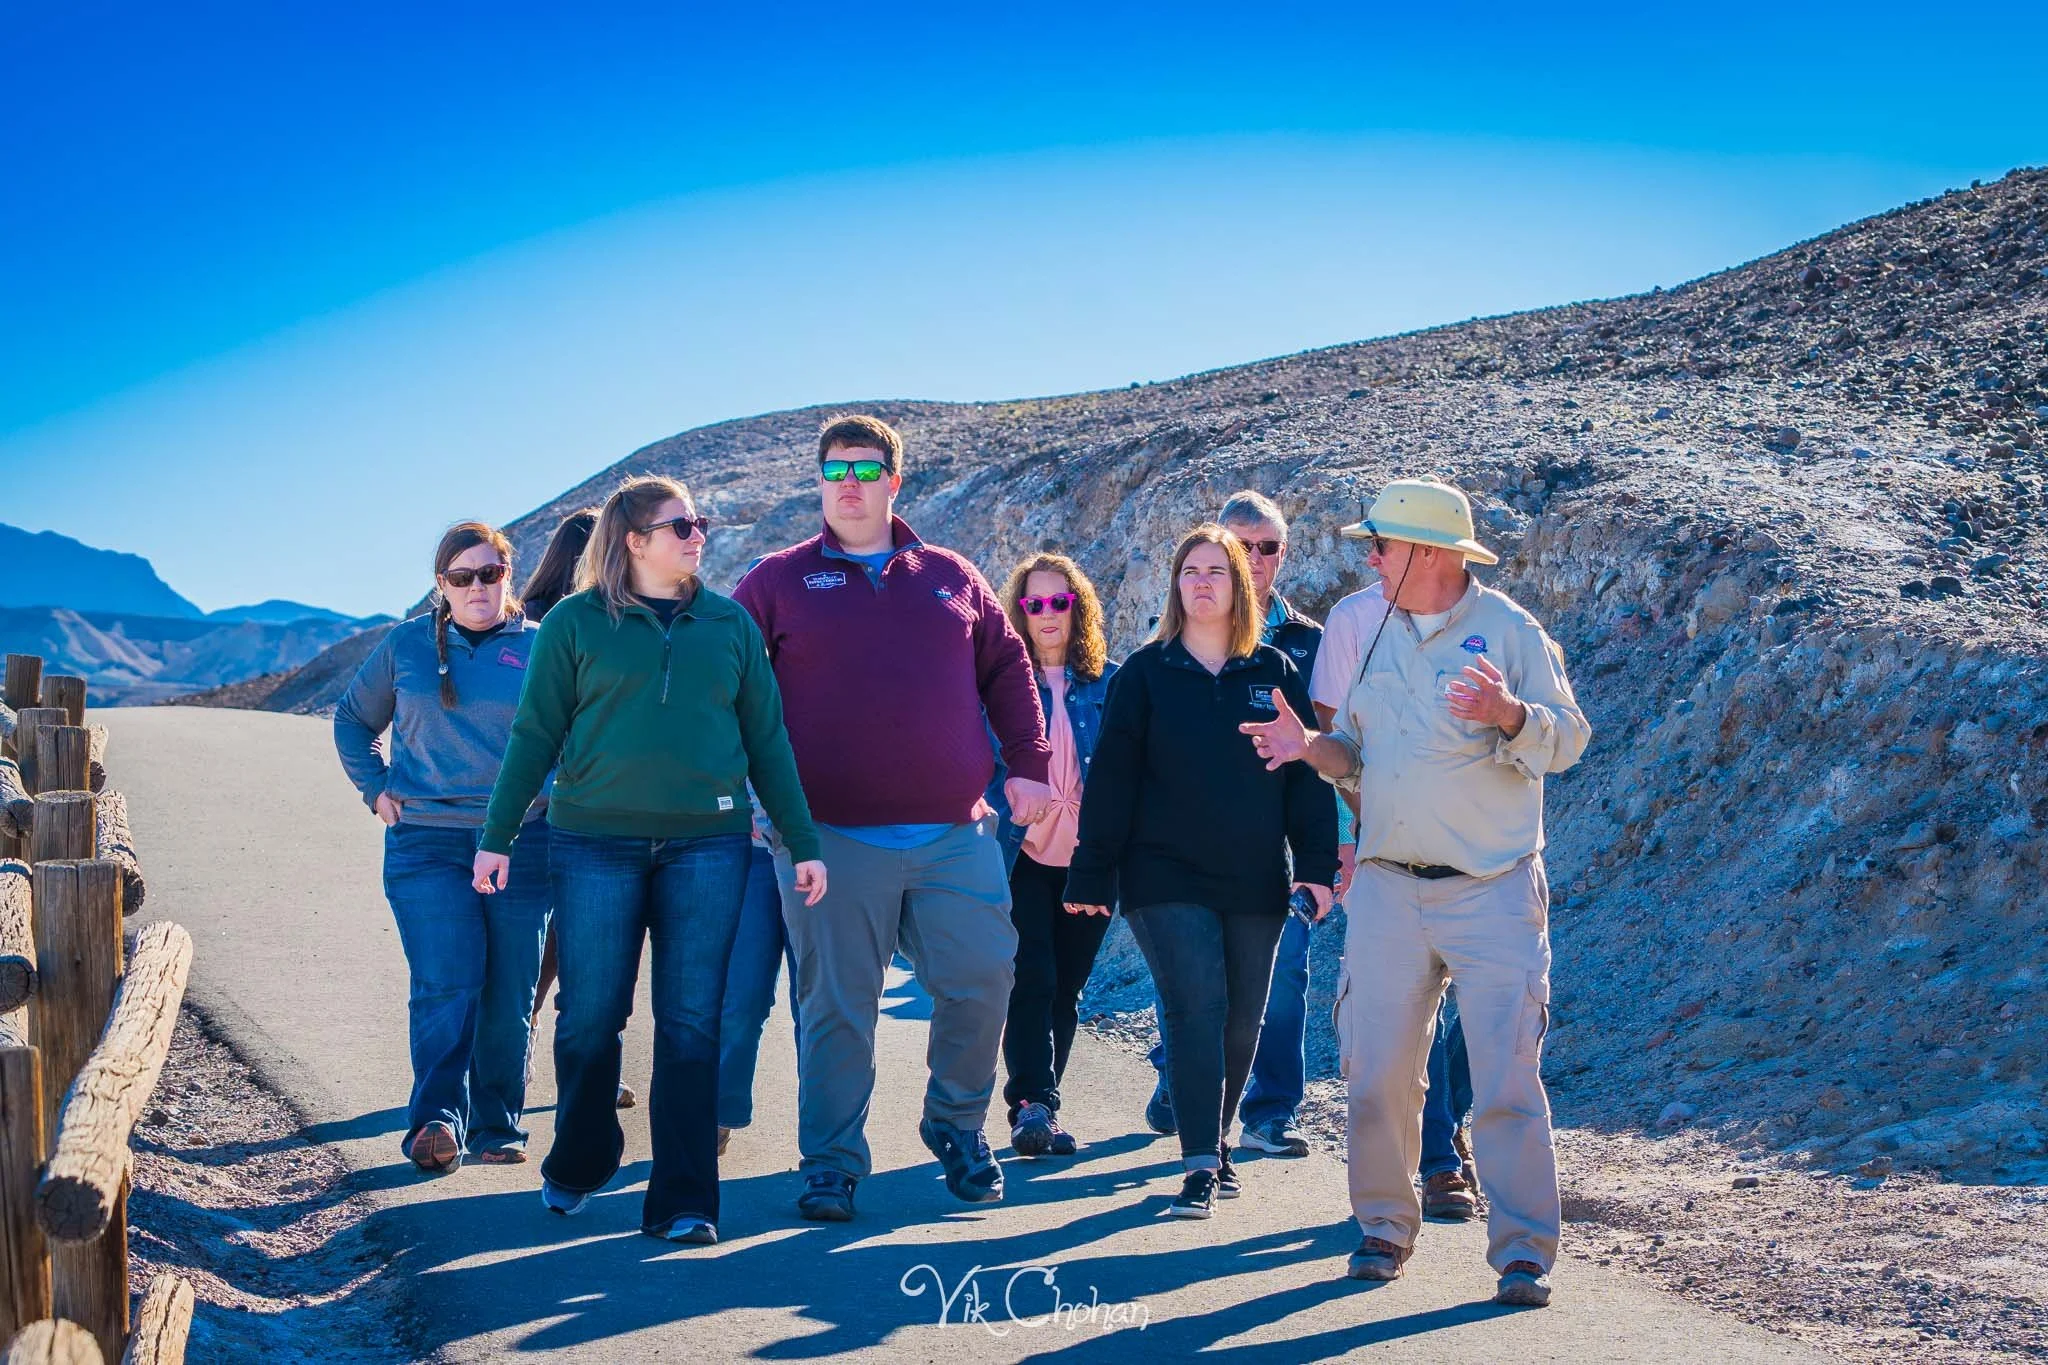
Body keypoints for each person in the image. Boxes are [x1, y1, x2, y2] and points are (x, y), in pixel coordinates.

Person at [1240, 476, 1590, 1307]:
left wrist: (1510, 715)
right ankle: (1383, 1230)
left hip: (1494, 889)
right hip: (1391, 889)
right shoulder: (1369, 629)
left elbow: (1568, 737)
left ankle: (1523, 1253)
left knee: (1507, 1076)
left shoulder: (1510, 630)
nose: (1371, 556)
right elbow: (1353, 756)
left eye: (1382, 544)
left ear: (1427, 553)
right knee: (1374, 1073)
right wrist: (1308, 748)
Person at [474, 474, 827, 1246]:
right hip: (593, 841)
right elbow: (534, 735)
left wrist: (802, 842)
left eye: (699, 521)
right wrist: (496, 836)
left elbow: (768, 741)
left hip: (709, 846)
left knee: (692, 1023)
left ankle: (684, 1198)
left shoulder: (730, 625)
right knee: (591, 1016)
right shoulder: (572, 624)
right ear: (634, 540)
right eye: (680, 524)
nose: (697, 534)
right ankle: (585, 1149)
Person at [732, 413, 1052, 1223]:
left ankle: (956, 1126)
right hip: (829, 837)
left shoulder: (948, 575)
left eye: (867, 470)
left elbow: (1009, 662)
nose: (850, 484)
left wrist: (1030, 763)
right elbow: (727, 682)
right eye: (836, 469)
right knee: (838, 1005)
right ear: (818, 481)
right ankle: (832, 1162)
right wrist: (752, 795)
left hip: (954, 831)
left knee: (984, 977)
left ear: (894, 481)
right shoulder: (778, 580)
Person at [1065, 524, 1337, 1220]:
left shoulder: (1273, 672)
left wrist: (1314, 869)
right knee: (1197, 1005)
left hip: (1253, 877)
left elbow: (1305, 779)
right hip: (1162, 877)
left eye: (1218, 569)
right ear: (1176, 585)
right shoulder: (1144, 674)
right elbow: (1112, 783)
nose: (1204, 581)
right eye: (1191, 569)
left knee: (1243, 1020)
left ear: (1240, 585)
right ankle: (1197, 1162)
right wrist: (1092, 872)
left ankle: (1215, 1141)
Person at [333, 522, 551, 1173]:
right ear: (441, 584)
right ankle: (436, 1121)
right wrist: (375, 789)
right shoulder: (405, 646)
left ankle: (496, 1125)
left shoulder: (541, 649)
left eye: (489, 572)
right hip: (426, 843)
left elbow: (574, 736)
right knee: (447, 979)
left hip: (520, 841)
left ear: (508, 575)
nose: (477, 586)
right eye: (462, 576)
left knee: (511, 990)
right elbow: (352, 720)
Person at [1142, 491, 1352, 1159]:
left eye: (1267, 547)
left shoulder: (1310, 643)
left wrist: (1335, 842)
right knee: (1194, 977)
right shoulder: (1171, 636)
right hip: (1182, 846)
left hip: (1274, 844)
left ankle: (1269, 1113)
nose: (1254, 559)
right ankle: (1183, 1075)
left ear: (1282, 555)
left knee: (1282, 974)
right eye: (1241, 544)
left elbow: (1331, 745)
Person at [1310, 568, 1478, 1219]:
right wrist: (1358, 830)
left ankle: (1443, 1120)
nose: (1380, 556)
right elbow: (1333, 733)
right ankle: (1438, 1160)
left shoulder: (1485, 619)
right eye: (1377, 544)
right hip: (1383, 840)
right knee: (1416, 990)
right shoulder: (1353, 619)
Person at [985, 552, 1118, 1158]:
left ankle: (1042, 1101)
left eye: (1058, 602)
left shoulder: (1111, 684)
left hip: (1090, 861)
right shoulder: (1001, 687)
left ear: (1077, 609)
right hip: (1021, 855)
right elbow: (982, 768)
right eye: (1033, 603)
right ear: (1019, 611)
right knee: (1030, 977)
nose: (1045, 614)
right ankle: (1032, 1104)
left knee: (1067, 986)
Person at [515, 508, 641, 1110]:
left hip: (598, 807)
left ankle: (574, 1065)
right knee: (556, 947)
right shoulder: (542, 628)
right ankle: (520, 1057)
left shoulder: (622, 622)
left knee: (577, 946)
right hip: (554, 810)